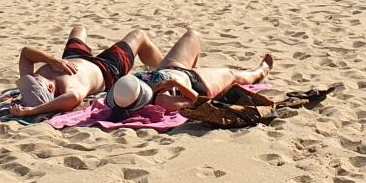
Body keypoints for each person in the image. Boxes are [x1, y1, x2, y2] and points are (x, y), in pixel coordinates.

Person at [106, 29, 273, 117]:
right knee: (231, 74)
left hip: (171, 68)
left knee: (192, 35)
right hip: (197, 82)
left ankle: (197, 68)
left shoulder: (126, 89)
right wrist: (176, 84)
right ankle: (259, 72)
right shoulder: (163, 100)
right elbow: (195, 100)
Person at [10, 25, 161, 119]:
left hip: (72, 58)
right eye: (37, 78)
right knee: (138, 35)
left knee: (79, 29)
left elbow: (26, 53)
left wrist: (52, 60)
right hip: (107, 68)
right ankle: (164, 67)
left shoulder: (30, 88)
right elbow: (74, 97)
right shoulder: (68, 88)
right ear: (50, 88)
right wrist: (33, 111)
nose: (35, 75)